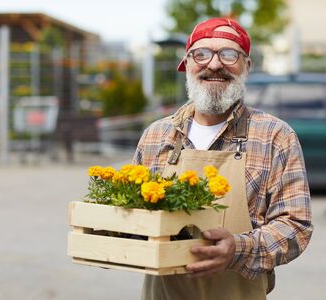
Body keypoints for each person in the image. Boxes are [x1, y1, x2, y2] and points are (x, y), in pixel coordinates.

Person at [132, 18, 313, 300]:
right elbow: (135, 216)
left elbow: (295, 227)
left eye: (229, 55)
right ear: (187, 64)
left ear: (247, 66)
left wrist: (238, 250)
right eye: (201, 54)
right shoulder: (156, 136)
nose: (214, 65)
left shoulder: (275, 136)